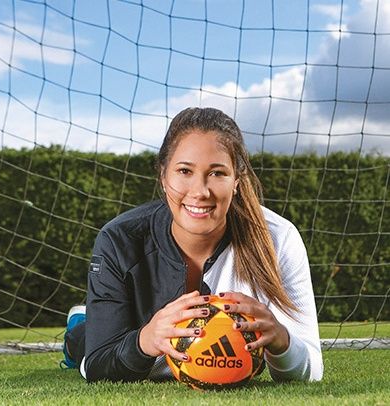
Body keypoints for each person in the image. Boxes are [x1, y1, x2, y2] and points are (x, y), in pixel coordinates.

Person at [61, 107, 323, 383]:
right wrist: (144, 341)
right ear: (163, 176)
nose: (200, 192)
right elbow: (97, 365)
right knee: (83, 342)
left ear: (236, 180)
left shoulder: (278, 238)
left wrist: (282, 341)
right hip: (123, 336)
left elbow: (312, 369)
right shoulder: (119, 239)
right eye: (185, 170)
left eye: (217, 173)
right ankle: (80, 326)